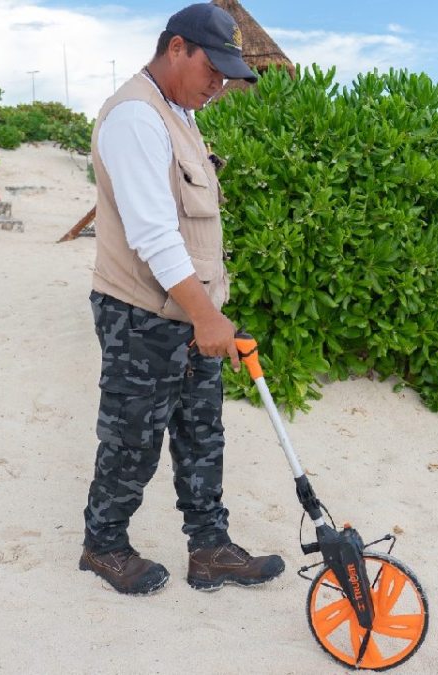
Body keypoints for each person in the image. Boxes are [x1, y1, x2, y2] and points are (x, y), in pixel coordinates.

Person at [79, 2, 285, 595]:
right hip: (141, 314)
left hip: (190, 313)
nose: (219, 85)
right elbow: (153, 235)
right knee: (132, 437)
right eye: (212, 71)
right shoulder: (134, 118)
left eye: (227, 75)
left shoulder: (181, 113)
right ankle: (105, 546)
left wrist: (206, 315)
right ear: (176, 49)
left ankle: (211, 549)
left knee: (201, 433)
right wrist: (206, 315)